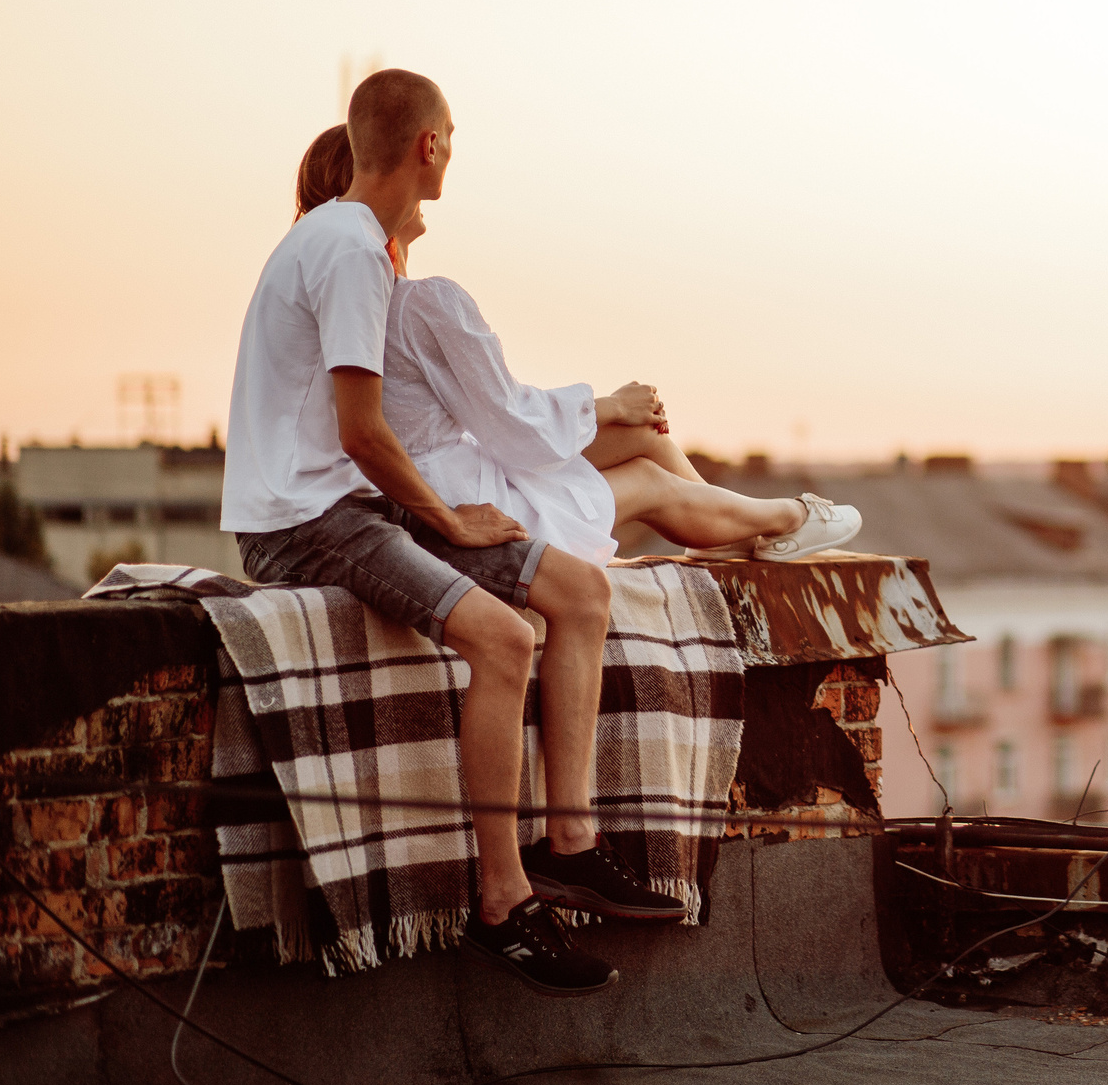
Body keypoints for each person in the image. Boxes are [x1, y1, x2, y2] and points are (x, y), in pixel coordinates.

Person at [227, 69, 678, 999]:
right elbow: (361, 431)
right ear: (428, 145)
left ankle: (573, 842)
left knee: (581, 592)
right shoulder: (350, 250)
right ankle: (503, 904)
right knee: (507, 637)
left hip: (359, 505)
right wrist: (443, 515)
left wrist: (434, 508)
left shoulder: (338, 240)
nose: (452, 149)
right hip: (308, 524)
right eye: (452, 135)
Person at [292, 123, 861, 564]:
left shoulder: (342, 296)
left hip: (443, 477)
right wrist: (607, 403)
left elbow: (495, 415)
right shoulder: (418, 303)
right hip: (456, 491)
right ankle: (784, 518)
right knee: (648, 480)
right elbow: (510, 420)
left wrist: (611, 413)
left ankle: (727, 529)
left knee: (640, 435)